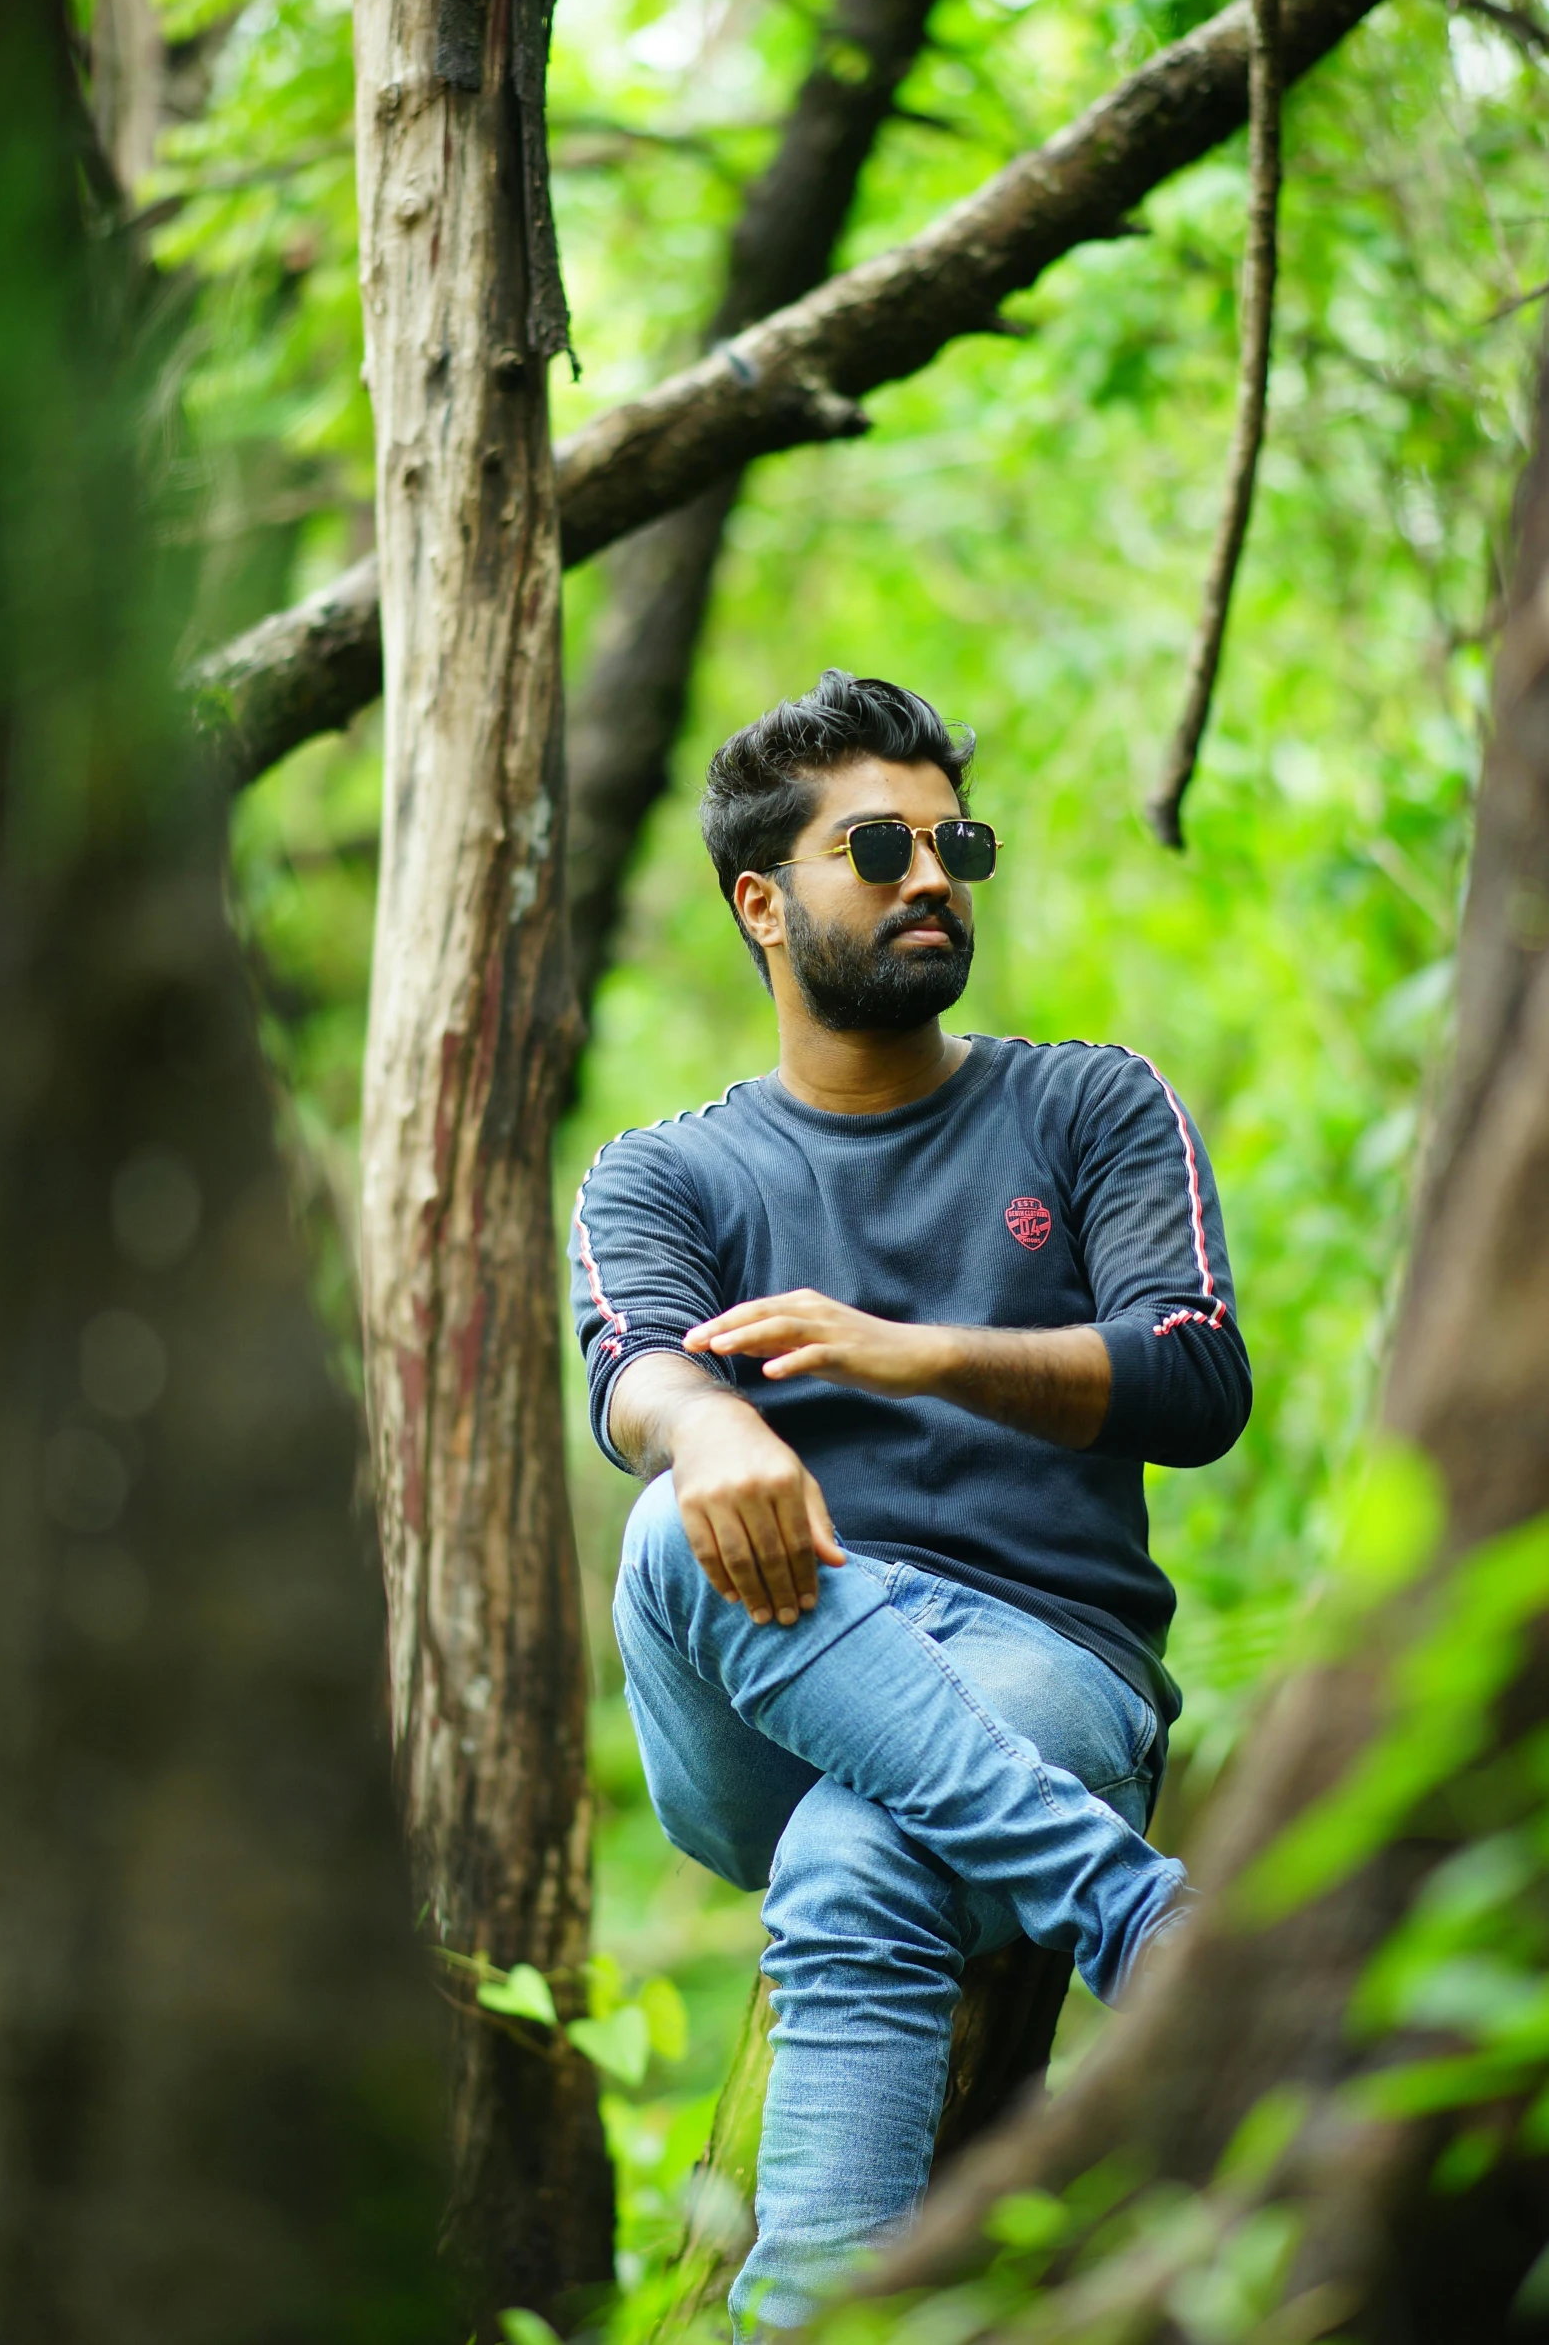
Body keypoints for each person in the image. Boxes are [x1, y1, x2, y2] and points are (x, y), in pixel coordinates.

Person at [568, 671, 1251, 2332]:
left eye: (956, 843)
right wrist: (716, 1434)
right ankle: (1124, 1909)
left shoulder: (1088, 1106)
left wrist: (912, 1353)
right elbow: (634, 1374)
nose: (929, 874)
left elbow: (1194, 1380)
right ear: (762, 901)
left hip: (1045, 1657)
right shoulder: (669, 1173)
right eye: (876, 846)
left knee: (867, 1864)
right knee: (673, 1517)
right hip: (770, 1692)